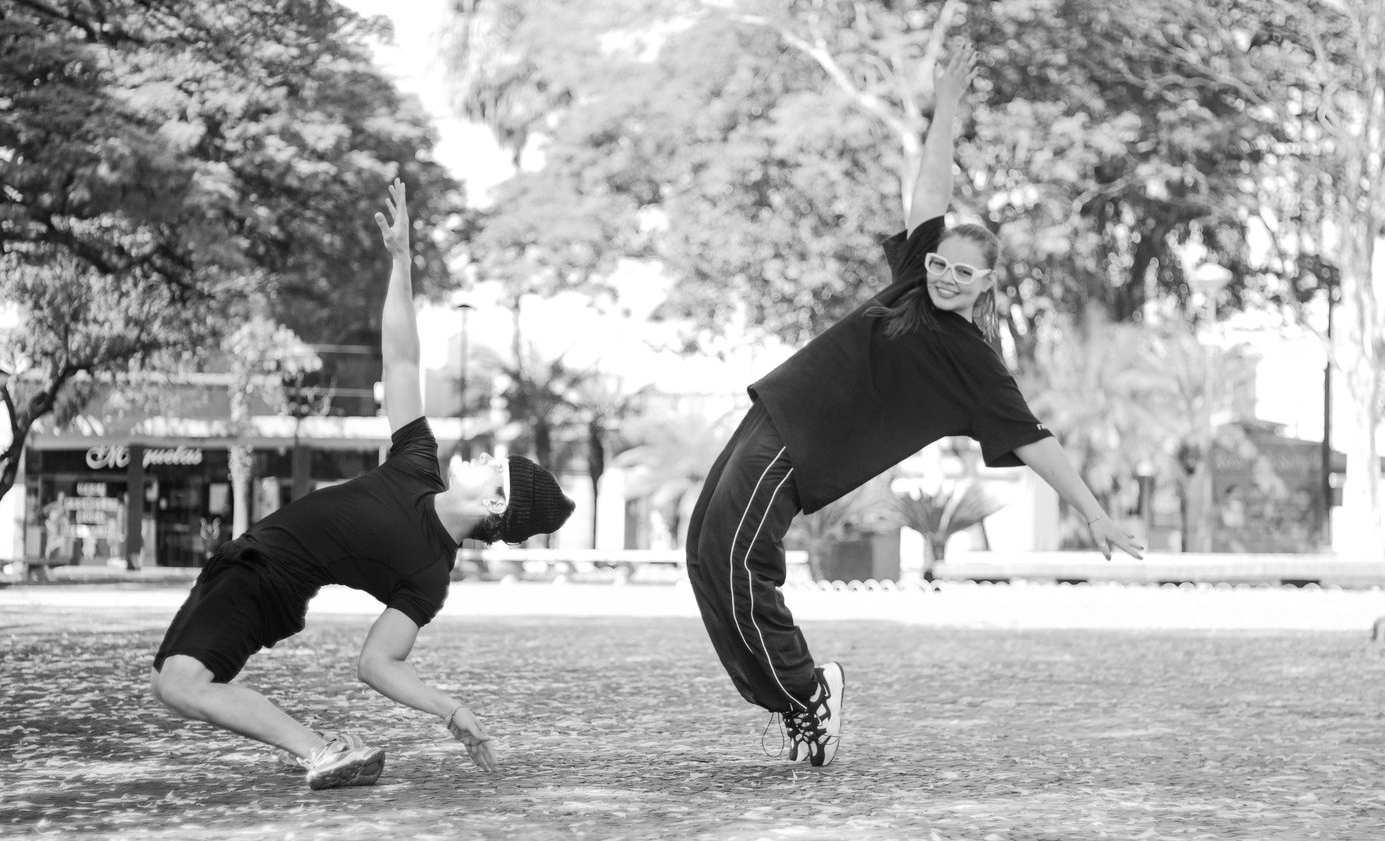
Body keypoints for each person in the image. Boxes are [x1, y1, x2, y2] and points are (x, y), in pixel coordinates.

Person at [685, 42, 1144, 768]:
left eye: (964, 272)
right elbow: (930, 188)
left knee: (738, 561)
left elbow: (1034, 439)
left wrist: (1092, 511)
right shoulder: (912, 279)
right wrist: (948, 106)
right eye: (938, 263)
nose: (945, 277)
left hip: (802, 450)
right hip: (773, 410)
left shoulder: (974, 364)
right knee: (704, 554)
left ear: (988, 283)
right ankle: (796, 698)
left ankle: (807, 693)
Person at [151, 179, 576, 790]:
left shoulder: (430, 573)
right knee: (169, 683)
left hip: (263, 576)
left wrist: (451, 711)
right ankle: (321, 748)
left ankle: (324, 750)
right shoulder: (417, 461)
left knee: (182, 684)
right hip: (245, 569)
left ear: (494, 501)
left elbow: (378, 665)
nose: (481, 454)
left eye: (492, 464)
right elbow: (400, 359)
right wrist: (402, 263)